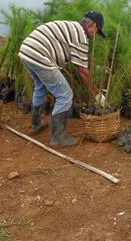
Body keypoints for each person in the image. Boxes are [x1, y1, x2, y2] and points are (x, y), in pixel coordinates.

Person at [18, 11, 106, 146]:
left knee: (40, 86)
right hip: (39, 55)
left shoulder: (72, 27)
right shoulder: (80, 36)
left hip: (26, 52)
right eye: (97, 31)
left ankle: (36, 124)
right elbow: (82, 71)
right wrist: (96, 95)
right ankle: (58, 138)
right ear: (92, 25)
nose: (95, 35)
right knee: (65, 94)